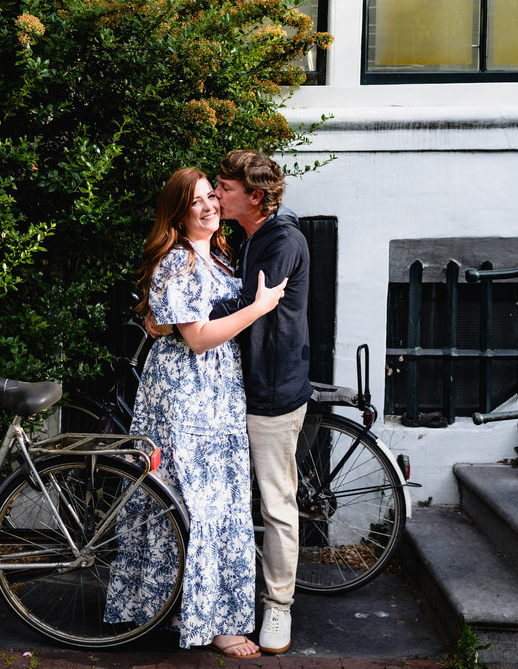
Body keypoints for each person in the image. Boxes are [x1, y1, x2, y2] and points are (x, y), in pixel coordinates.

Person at [104, 167, 287, 659]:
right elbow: (199, 338)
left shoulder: (217, 256)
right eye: (195, 202)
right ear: (178, 214)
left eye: (211, 196)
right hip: (186, 397)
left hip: (215, 395)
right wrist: (260, 307)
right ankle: (212, 624)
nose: (208, 206)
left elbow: (171, 320)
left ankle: (190, 613)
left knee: (215, 503)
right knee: (198, 506)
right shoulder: (179, 262)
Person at [210, 150, 311, 655]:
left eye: (225, 189)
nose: (216, 195)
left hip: (272, 391)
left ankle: (278, 609)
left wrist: (184, 314)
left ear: (254, 196)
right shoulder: (251, 235)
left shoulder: (283, 241)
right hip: (243, 386)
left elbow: (249, 305)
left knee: (276, 504)